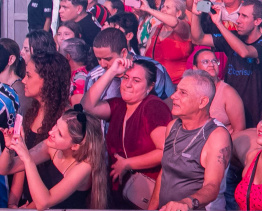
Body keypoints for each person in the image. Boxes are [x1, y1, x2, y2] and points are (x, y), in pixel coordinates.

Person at [81, 56, 171, 207]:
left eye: (136, 80)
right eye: (125, 77)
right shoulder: (119, 105)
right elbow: (87, 105)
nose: (128, 84)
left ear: (150, 87)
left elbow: (165, 152)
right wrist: (112, 71)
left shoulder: (153, 107)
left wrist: (127, 164)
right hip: (121, 194)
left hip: (145, 196)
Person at [149, 70, 232, 211]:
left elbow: (212, 186)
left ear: (202, 102)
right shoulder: (173, 126)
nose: (174, 96)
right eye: (176, 91)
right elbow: (165, 173)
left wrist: (187, 203)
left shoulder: (217, 136)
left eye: (183, 93)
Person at [189, 0, 262, 129]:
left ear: (257, 21)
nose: (238, 20)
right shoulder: (234, 36)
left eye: (244, 16)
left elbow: (244, 52)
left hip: (252, 115)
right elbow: (198, 39)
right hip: (227, 111)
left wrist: (219, 25)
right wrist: (196, 16)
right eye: (238, 15)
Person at [0, 106, 109, 210]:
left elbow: (43, 202)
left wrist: (28, 160)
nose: (51, 132)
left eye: (60, 134)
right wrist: (10, 148)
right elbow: (5, 169)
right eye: (56, 125)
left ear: (75, 146)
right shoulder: (50, 147)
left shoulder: (84, 167)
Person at [9, 51, 71, 208]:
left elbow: (61, 180)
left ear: (47, 80)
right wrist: (13, 202)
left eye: (28, 76)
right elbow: (23, 161)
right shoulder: (29, 112)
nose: (23, 80)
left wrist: (31, 207)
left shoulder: (66, 122)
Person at [140, 0, 193, 85]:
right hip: (155, 85)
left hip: (177, 85)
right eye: (163, 6)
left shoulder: (185, 27)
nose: (163, 9)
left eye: (167, 7)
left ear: (178, 13)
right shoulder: (156, 29)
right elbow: (147, 56)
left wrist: (148, 9)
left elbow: (174, 22)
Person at [192, 49, 245, 135]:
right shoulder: (191, 90)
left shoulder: (228, 93)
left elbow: (239, 131)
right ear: (195, 68)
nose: (211, 65)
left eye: (214, 61)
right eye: (205, 62)